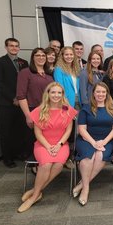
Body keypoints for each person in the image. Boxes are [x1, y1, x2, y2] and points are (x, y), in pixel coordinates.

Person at [17, 82, 77, 213]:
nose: (56, 95)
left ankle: (35, 191)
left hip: (61, 144)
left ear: (62, 95)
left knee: (58, 165)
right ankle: (34, 197)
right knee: (46, 165)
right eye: (53, 92)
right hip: (43, 144)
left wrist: (59, 144)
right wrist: (48, 146)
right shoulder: (39, 110)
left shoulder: (67, 109)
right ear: (48, 94)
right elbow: (37, 133)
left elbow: (68, 131)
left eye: (59, 93)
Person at [73, 82, 113, 206]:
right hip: (86, 139)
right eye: (98, 91)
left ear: (107, 94)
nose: (101, 94)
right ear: (93, 93)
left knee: (99, 156)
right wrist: (94, 143)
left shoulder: (112, 108)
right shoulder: (86, 108)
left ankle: (81, 184)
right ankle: (86, 189)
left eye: (103, 92)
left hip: (106, 140)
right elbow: (81, 129)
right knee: (88, 157)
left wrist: (104, 142)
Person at [0, 38, 28, 168]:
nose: (14, 48)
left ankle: (19, 153)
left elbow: (26, 82)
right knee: (6, 131)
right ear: (6, 47)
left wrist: (21, 99)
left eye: (16, 46)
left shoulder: (24, 63)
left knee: (20, 129)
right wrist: (13, 98)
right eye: (11, 46)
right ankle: (7, 158)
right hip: (6, 103)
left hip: (22, 102)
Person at [17, 48, 54, 158]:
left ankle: (44, 161)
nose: (41, 58)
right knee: (33, 140)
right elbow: (21, 96)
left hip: (48, 111)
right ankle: (34, 165)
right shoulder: (25, 73)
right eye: (38, 55)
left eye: (43, 55)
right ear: (33, 57)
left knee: (45, 139)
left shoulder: (49, 75)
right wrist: (28, 116)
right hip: (33, 110)